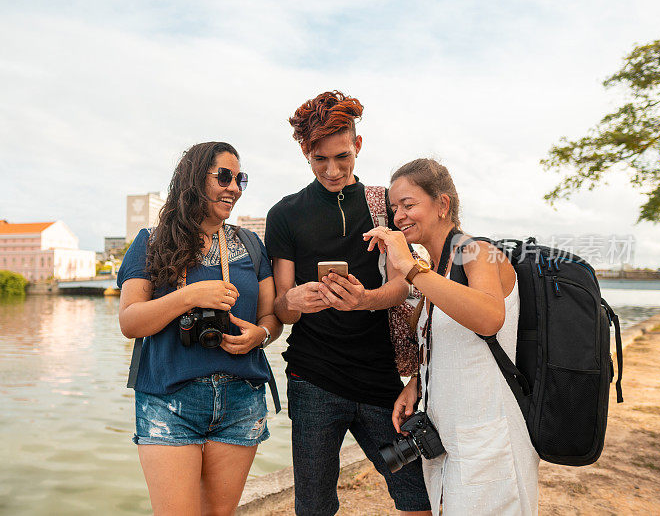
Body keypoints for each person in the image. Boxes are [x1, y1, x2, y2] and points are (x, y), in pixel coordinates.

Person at [264, 91, 431, 516]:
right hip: (312, 379)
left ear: (358, 145)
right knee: (314, 506)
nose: (333, 170)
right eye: (319, 159)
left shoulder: (383, 206)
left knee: (417, 493)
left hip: (380, 379)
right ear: (305, 153)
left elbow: (402, 287)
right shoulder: (284, 214)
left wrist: (364, 300)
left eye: (342, 156)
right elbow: (282, 310)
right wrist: (296, 299)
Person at [364, 158, 540, 515]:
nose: (398, 217)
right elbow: (450, 342)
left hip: (490, 441)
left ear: (443, 204)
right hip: (451, 441)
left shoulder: (478, 251)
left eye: (409, 205)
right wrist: (415, 382)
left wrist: (410, 268)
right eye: (394, 208)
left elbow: (490, 318)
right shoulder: (438, 270)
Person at [118, 141, 282, 516]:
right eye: (223, 176)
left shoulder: (251, 244)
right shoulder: (151, 242)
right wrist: (190, 296)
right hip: (168, 399)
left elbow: (270, 318)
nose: (235, 188)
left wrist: (261, 335)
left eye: (240, 179)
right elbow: (130, 322)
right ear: (194, 179)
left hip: (241, 399)